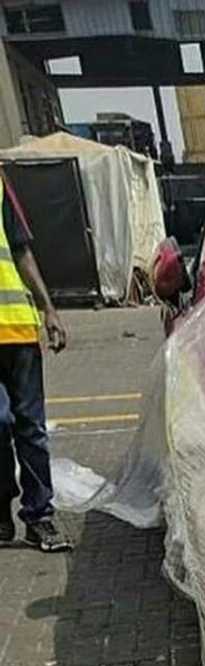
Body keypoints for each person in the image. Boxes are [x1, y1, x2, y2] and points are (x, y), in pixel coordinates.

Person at [0, 172, 69, 552]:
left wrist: (48, 308)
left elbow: (21, 249)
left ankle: (39, 516)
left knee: (31, 428)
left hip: (17, 330)